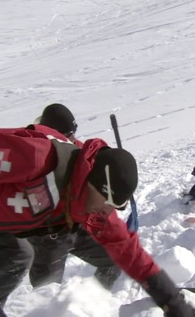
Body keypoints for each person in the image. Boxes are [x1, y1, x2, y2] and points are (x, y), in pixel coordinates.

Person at [0, 124, 195, 316]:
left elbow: (131, 254)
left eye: (113, 207)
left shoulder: (91, 204)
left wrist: (173, 303)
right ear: (92, 184)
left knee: (16, 256)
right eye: (105, 203)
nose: (105, 214)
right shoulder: (38, 157)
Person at [27, 103, 120, 289]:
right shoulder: (33, 154)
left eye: (73, 132)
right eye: (68, 134)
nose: (73, 138)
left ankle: (91, 303)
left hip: (76, 228)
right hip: (47, 236)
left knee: (115, 260)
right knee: (46, 291)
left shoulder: (77, 151)